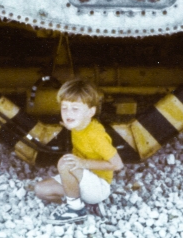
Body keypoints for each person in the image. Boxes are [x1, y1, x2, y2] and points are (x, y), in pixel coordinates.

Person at [35, 78, 124, 224]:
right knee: (41, 190)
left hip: (99, 186)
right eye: (64, 107)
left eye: (75, 109)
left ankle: (75, 209)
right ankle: (86, 203)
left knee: (66, 163)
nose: (68, 113)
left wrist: (83, 163)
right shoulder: (78, 124)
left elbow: (117, 165)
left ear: (90, 112)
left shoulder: (95, 135)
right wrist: (71, 125)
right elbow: (76, 122)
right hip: (83, 180)